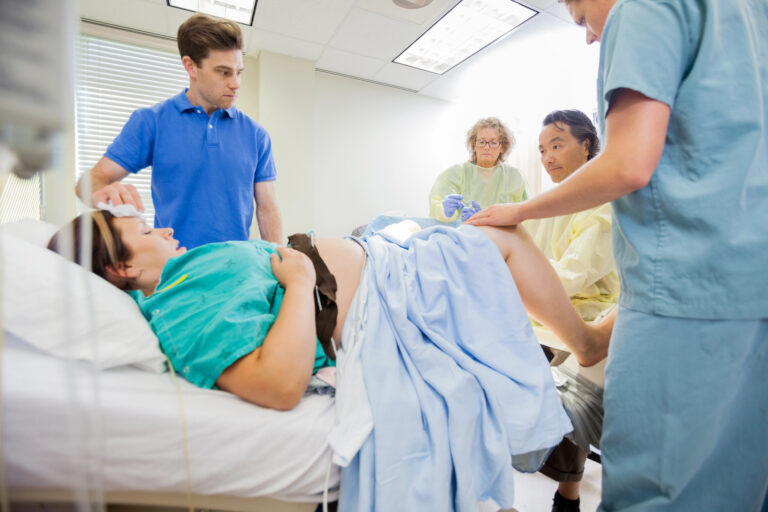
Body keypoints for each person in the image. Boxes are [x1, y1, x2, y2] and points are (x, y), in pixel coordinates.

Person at [49, 209, 614, 509]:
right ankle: (587, 343)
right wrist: (299, 281)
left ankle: (580, 342)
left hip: (385, 267)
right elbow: (278, 384)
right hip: (387, 294)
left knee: (493, 233)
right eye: (146, 230)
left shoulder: (183, 283)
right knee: (503, 232)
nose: (165, 227)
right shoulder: (179, 307)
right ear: (122, 268)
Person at [468, 0, 768, 510]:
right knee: (735, 480)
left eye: (580, 15)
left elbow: (628, 164)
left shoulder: (643, 8)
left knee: (655, 488)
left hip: (681, 302)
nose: (589, 36)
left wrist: (517, 212)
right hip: (742, 288)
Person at [75, 13, 282, 249]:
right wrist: (105, 191)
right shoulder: (151, 122)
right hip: (175, 262)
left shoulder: (256, 135)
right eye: (224, 72)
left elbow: (267, 207)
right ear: (190, 67)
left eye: (239, 72)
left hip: (235, 264)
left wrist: (279, 257)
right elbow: (88, 183)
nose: (235, 83)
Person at [525, 109, 618, 512]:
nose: (547, 157)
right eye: (542, 150)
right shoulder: (545, 205)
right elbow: (525, 260)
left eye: (557, 145)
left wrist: (518, 282)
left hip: (586, 314)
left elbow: (572, 276)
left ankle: (568, 493)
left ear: (587, 145)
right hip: (538, 312)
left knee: (563, 385)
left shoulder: (603, 202)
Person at [428, 117, 528, 222]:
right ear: (474, 145)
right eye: (481, 142)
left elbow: (528, 216)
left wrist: (485, 221)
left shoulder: (515, 176)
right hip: (461, 231)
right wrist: (444, 212)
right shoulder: (455, 173)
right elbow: (436, 204)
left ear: (502, 147)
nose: (487, 147)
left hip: (501, 233)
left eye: (493, 143)